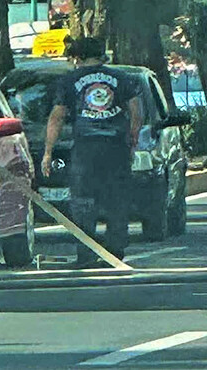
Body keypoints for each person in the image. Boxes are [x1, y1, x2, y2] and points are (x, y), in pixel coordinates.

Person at [42, 37, 143, 268]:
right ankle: (115, 252)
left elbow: (57, 117)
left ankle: (86, 253)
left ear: (78, 57)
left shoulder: (69, 80)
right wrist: (132, 140)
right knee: (117, 199)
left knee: (83, 201)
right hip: (116, 146)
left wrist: (48, 152)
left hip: (86, 147)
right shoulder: (122, 78)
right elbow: (136, 111)